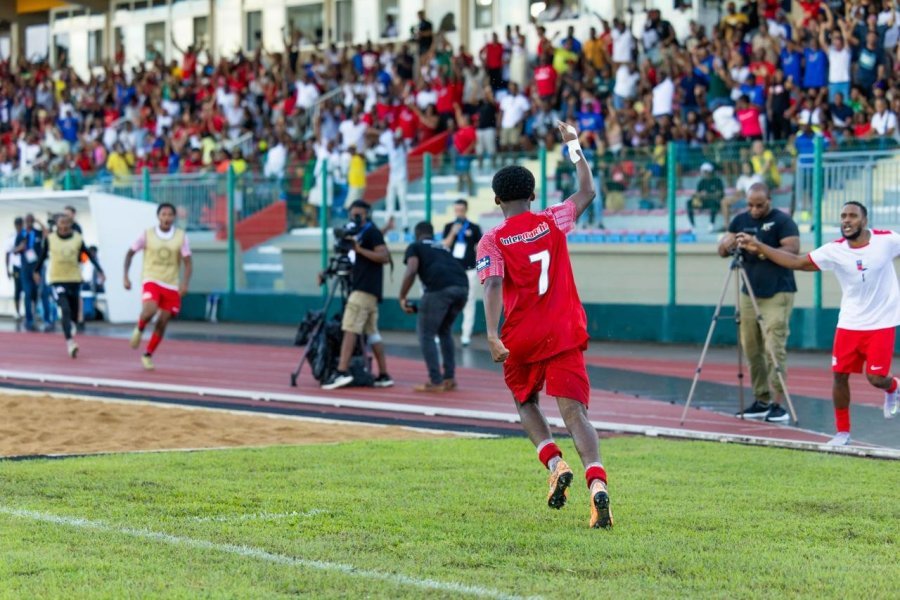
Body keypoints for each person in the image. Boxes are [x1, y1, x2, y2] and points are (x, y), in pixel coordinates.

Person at [476, 120, 612, 529]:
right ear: (533, 195)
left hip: (523, 336)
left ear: (497, 199)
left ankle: (554, 462)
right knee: (576, 414)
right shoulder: (553, 220)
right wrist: (573, 146)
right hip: (565, 329)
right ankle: (597, 487)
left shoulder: (493, 239)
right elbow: (588, 191)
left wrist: (491, 333)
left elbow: (494, 283)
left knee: (526, 402)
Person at [737, 201, 900, 445]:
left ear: (864, 221)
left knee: (876, 378)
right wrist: (760, 246)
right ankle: (842, 432)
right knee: (839, 376)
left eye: (852, 216)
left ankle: (893, 387)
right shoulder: (834, 250)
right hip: (849, 323)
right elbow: (797, 262)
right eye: (843, 215)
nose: (846, 220)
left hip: (881, 322)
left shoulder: (887, 240)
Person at [718, 183, 799, 422]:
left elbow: (793, 251)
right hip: (748, 291)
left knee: (773, 346)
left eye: (759, 205)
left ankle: (778, 403)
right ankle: (761, 399)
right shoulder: (739, 220)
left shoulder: (783, 221)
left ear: (770, 201)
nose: (754, 210)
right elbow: (722, 250)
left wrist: (759, 246)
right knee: (751, 348)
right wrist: (727, 243)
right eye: (750, 205)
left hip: (777, 292)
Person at [321, 200, 394, 390]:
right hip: (367, 290)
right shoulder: (359, 234)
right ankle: (384, 375)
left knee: (350, 328)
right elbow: (347, 256)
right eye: (352, 215)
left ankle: (342, 371)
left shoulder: (371, 232)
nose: (355, 218)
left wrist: (359, 249)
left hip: (364, 289)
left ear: (367, 214)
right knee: (372, 334)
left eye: (358, 215)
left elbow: (384, 257)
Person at [399, 221, 469, 392]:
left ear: (417, 234)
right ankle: (449, 378)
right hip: (462, 287)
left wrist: (402, 296)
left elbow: (412, 269)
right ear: (432, 234)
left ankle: (436, 381)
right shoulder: (442, 247)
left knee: (426, 334)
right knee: (444, 331)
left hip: (440, 289)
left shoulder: (415, 246)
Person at [123, 203, 193, 371]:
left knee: (163, 322)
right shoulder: (147, 234)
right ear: (158, 216)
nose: (166, 218)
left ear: (174, 217)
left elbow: (188, 262)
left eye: (170, 215)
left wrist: (184, 283)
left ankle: (148, 354)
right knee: (150, 310)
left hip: (171, 283)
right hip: (151, 278)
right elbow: (130, 253)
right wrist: (125, 276)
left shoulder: (181, 237)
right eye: (163, 214)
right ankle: (139, 328)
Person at [32, 214, 104, 358]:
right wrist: (36, 271)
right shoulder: (51, 239)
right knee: (64, 308)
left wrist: (100, 270)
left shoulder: (77, 238)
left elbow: (88, 255)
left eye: (66, 224)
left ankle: (71, 324)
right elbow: (42, 256)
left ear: (71, 225)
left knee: (73, 313)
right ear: (57, 225)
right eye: (61, 224)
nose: (64, 227)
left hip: (74, 279)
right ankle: (70, 343)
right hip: (57, 279)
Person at [442, 200, 482, 347]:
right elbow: (445, 244)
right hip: (452, 271)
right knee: (447, 301)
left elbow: (479, 247)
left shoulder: (474, 227)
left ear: (466, 210)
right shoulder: (448, 227)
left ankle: (466, 335)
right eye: (456, 210)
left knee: (469, 301)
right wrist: (453, 232)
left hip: (470, 270)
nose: (459, 213)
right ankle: (443, 332)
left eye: (461, 210)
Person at [14, 213, 53, 332]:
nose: (29, 222)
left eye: (31, 220)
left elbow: (47, 234)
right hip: (25, 268)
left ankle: (47, 320)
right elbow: (15, 250)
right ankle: (29, 320)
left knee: (44, 293)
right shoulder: (21, 234)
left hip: (38, 267)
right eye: (28, 220)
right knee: (27, 293)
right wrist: (21, 247)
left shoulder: (37, 232)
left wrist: (39, 222)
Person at [686, 162, 725, 233]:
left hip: (713, 202)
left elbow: (719, 194)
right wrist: (700, 195)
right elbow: (697, 193)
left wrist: (708, 195)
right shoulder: (702, 182)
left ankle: (711, 224)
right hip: (703, 202)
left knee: (713, 203)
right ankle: (692, 225)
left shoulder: (717, 181)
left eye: (706, 172)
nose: (704, 174)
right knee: (689, 203)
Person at [4, 217, 23, 320]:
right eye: (18, 224)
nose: (19, 226)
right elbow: (7, 254)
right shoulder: (12, 237)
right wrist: (7, 269)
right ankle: (17, 312)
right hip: (16, 267)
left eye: (21, 224)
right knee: (17, 289)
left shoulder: (26, 235)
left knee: (29, 291)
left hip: (26, 266)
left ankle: (31, 313)